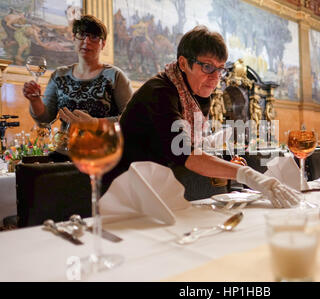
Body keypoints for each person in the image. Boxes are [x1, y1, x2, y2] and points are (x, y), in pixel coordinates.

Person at [103, 26, 300, 208]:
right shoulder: (159, 92)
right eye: (207, 67)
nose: (215, 77)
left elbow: (186, 146)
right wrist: (250, 176)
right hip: (123, 194)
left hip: (158, 189)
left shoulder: (195, 94)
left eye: (220, 68)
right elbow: (187, 154)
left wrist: (223, 164)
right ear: (183, 63)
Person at [22, 15, 133, 161]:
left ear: (103, 44)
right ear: (74, 38)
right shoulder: (59, 75)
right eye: (82, 35)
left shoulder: (115, 76)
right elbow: (45, 119)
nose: (86, 41)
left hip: (102, 158)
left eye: (94, 37)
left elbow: (132, 120)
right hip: (64, 156)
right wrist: (35, 101)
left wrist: (94, 124)